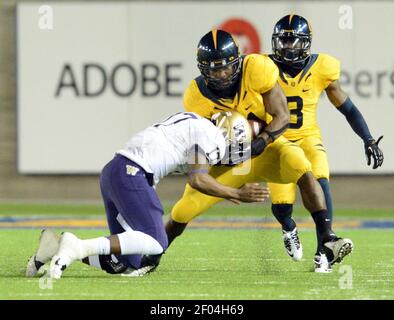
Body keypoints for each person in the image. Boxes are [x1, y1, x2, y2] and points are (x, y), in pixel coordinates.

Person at [139, 29, 354, 275]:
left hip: (265, 148)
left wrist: (261, 141)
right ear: (201, 68)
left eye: (225, 67)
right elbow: (199, 150)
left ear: (237, 62)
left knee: (300, 164)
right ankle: (154, 254)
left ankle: (327, 239)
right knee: (184, 209)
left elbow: (282, 116)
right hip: (227, 160)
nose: (220, 74)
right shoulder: (196, 95)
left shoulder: (257, 68)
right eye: (212, 69)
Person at [26, 111, 269, 279]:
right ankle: (75, 246)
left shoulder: (193, 122)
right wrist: (236, 192)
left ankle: (54, 247)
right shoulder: (212, 135)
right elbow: (198, 178)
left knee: (123, 261)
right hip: (132, 172)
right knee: (157, 242)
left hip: (114, 171)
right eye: (239, 145)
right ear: (230, 134)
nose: (235, 154)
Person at [266, 14, 384, 272]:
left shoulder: (322, 68)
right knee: (282, 207)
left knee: (320, 179)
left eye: (293, 41)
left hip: (308, 137)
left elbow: (348, 109)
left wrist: (368, 138)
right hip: (277, 141)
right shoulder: (263, 68)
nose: (287, 47)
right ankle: (288, 228)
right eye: (283, 41)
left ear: (305, 43)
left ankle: (325, 248)